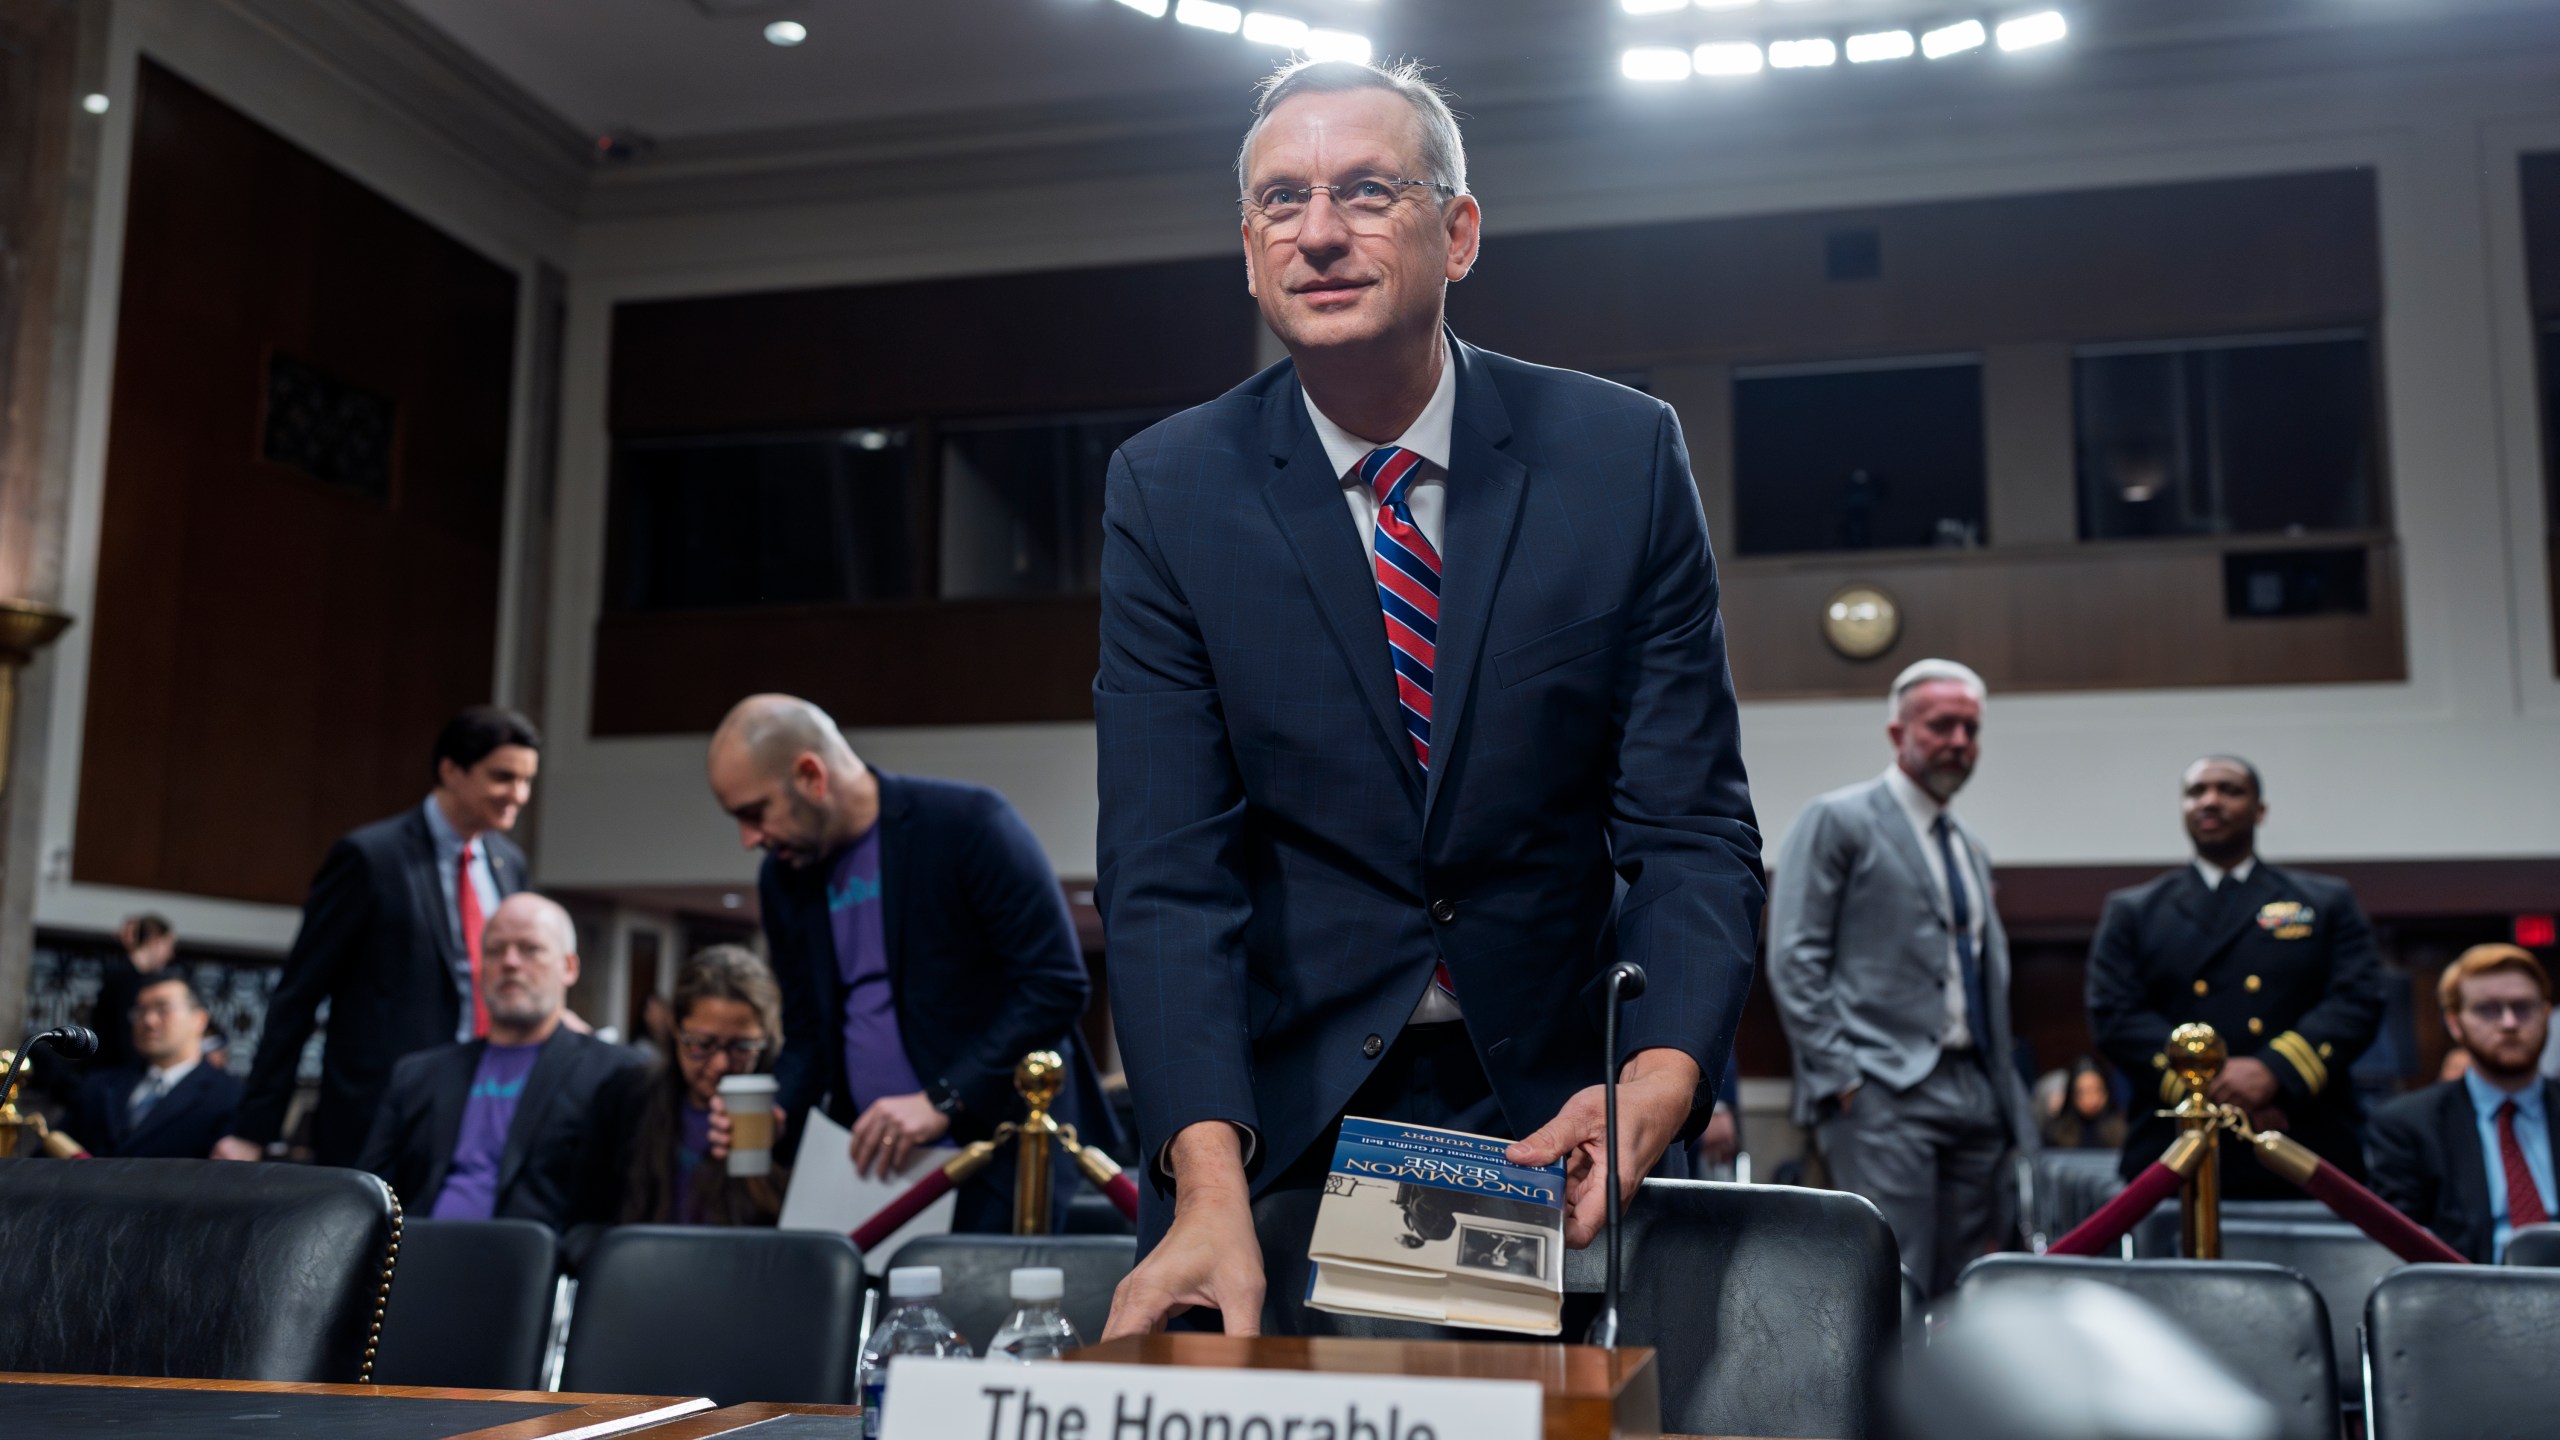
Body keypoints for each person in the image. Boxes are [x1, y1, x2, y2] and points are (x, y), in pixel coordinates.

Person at [1094, 57, 1763, 1339]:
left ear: (1457, 231)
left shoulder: (1618, 457)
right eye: (1281, 202)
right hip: (1265, 1118)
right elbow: (1166, 871)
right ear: (1248, 251)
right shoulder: (1167, 490)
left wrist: (1660, 1075)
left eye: (1365, 191)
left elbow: (1689, 826)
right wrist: (1201, 1174)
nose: (1321, 232)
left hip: (1540, 1113)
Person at [705, 694, 1114, 1234]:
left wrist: (942, 1098)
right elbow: (807, 1033)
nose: (748, 839)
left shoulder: (966, 824)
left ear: (811, 775)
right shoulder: (784, 879)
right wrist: (778, 1107)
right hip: (870, 1167)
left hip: (998, 1152)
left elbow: (1053, 986)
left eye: (755, 813)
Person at [1766, 659, 2035, 1296]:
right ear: (1897, 733)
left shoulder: (1967, 843)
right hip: (1882, 1086)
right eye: (1942, 725)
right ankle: (1882, 1401)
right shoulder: (1837, 818)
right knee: (1893, 1277)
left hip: (1975, 1089)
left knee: (1968, 1281)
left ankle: (1949, 1400)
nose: (1959, 742)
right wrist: (1842, 1078)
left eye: (1970, 729)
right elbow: (1794, 955)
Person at [219, 706, 540, 1166]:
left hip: (486, 1103)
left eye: (526, 781)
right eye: (503, 777)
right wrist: (254, 1129)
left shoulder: (510, 864)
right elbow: (298, 994)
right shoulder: (370, 858)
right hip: (381, 1114)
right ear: (451, 769)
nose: (519, 795)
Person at [2087, 756, 2382, 1197]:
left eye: (2230, 790)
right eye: (2196, 792)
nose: (2210, 801)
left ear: (2260, 810)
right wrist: (2206, 1087)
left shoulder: (2324, 901)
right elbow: (2114, 1015)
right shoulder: (2135, 911)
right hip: (2175, 1147)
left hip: (2301, 1137)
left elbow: (2357, 1000)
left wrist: (2274, 1071)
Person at [360, 894, 643, 1236]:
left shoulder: (616, 1074)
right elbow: (370, 1196)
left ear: (569, 967)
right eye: (495, 950)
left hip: (538, 1271)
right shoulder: (419, 1075)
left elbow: (624, 1205)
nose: (509, 962)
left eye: (530, 949)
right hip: (415, 1262)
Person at [2368, 945, 2560, 1262]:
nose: (2509, 1023)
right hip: (2467, 1296)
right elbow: (2398, 1249)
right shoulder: (2408, 1125)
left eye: (2523, 1007)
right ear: (2455, 1023)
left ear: (2545, 1014)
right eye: (2488, 1009)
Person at [618, 945, 789, 1226]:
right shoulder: (633, 1099)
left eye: (742, 1047)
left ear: (766, 1040)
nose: (721, 1064)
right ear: (675, 1028)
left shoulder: (785, 1114)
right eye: (702, 1044)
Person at [65, 972, 242, 1159]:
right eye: (140, 1011)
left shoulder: (230, 1094)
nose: (149, 1021)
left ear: (199, 1020)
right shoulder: (100, 1086)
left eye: (163, 1010)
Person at [90, 913, 177, 1074]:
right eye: (168, 946)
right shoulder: (123, 978)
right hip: (114, 1074)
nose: (170, 955)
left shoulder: (141, 979)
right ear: (157, 941)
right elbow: (122, 1037)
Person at [2041, 1060, 2128, 1151]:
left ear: (2107, 1092)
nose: (2091, 1098)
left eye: (2097, 1090)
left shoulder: (2124, 1128)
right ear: (2072, 1095)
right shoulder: (2055, 1132)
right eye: (2083, 1092)